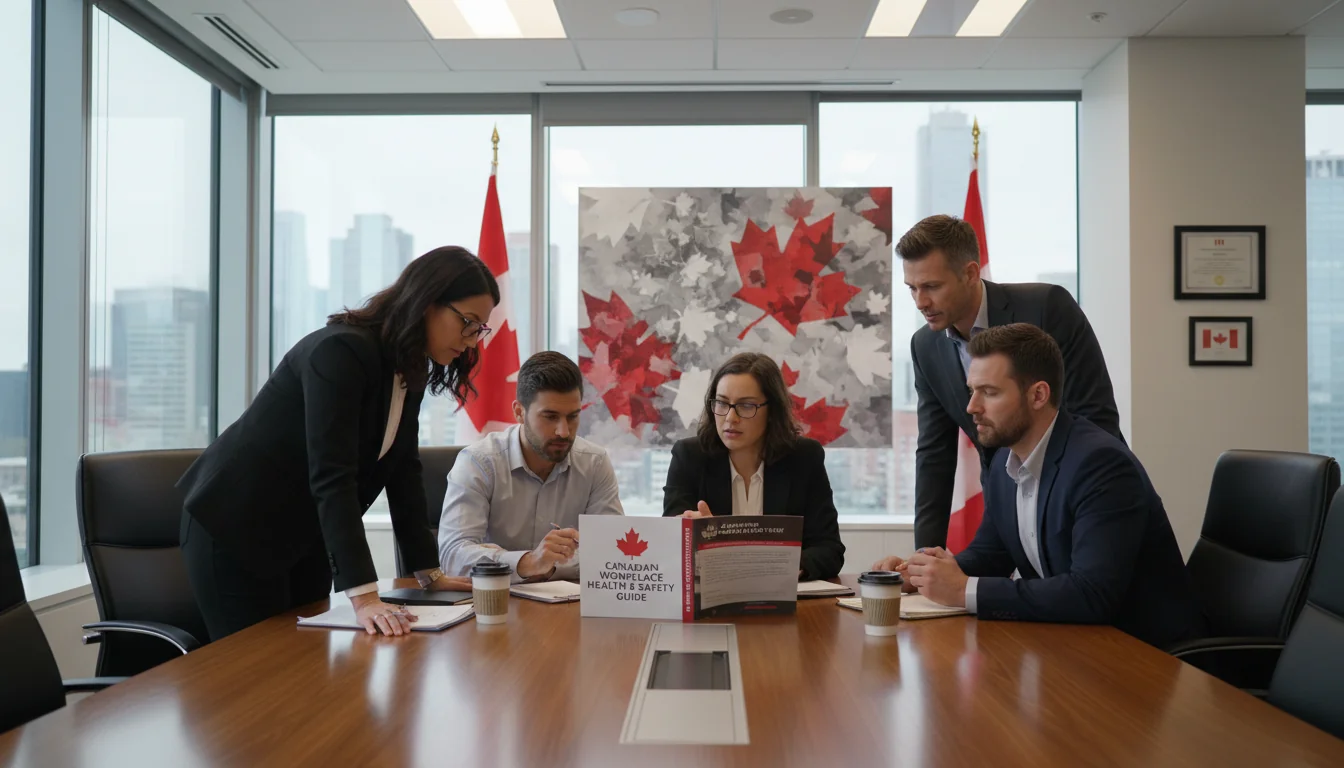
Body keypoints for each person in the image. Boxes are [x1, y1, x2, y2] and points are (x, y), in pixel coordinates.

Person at [178, 246, 496, 640]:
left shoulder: (406, 367)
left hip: (301, 536)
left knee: (308, 669)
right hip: (236, 529)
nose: (471, 341)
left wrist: (429, 574)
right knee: (256, 677)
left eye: (479, 328)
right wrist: (364, 596)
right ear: (426, 302)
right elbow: (333, 476)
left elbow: (403, 473)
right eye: (467, 322)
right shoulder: (341, 352)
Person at [873, 324, 1206, 650]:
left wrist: (963, 590)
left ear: (1038, 395)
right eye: (972, 390)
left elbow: (1092, 594)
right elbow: (991, 555)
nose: (971, 407)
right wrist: (920, 575)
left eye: (989, 392)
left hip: (1145, 658)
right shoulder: (1005, 459)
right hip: (1073, 645)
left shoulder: (1101, 465)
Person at [901, 214, 1124, 550]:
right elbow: (935, 453)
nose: (920, 302)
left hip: (1084, 494)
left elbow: (1095, 416)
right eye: (912, 288)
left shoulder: (1048, 308)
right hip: (1004, 508)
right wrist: (924, 558)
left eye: (932, 286)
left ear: (971, 273)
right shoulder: (925, 346)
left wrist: (1074, 502)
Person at [438, 351, 624, 582]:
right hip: (496, 604)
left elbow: (613, 554)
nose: (564, 431)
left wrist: (549, 564)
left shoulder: (595, 463)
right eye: (550, 417)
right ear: (519, 412)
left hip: (567, 609)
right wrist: (528, 562)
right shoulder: (479, 462)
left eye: (573, 417)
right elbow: (452, 557)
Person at [663, 352, 845, 581]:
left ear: (772, 411)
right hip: (712, 601)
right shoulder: (689, 456)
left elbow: (829, 550)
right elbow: (669, 546)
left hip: (781, 598)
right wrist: (692, 536)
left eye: (746, 406)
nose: (731, 417)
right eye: (721, 403)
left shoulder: (804, 458)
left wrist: (781, 567)